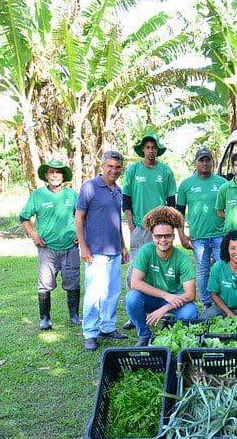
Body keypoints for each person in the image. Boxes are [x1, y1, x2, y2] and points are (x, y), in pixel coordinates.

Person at [121, 132, 182, 330]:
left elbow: (171, 200)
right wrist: (131, 225)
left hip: (160, 228)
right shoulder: (133, 170)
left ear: (158, 150)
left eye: (154, 147)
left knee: (162, 264)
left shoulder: (165, 171)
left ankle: (166, 304)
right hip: (139, 226)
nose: (151, 150)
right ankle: (134, 313)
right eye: (147, 147)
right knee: (136, 267)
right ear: (143, 150)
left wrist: (171, 225)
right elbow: (126, 200)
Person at [75, 151, 129, 351]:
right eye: (110, 166)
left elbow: (117, 221)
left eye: (117, 167)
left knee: (112, 291)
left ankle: (107, 327)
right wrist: (83, 246)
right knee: (94, 293)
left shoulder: (118, 191)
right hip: (95, 251)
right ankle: (90, 332)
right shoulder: (89, 187)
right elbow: (79, 218)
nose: (113, 170)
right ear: (102, 166)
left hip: (114, 249)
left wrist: (123, 246)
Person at [19, 158, 80, 330]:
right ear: (46, 175)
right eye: (51, 172)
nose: (55, 175)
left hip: (70, 247)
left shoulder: (72, 194)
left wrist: (81, 235)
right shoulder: (37, 195)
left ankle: (74, 316)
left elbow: (82, 216)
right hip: (47, 248)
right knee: (45, 283)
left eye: (58, 172)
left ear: (63, 175)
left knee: (73, 282)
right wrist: (34, 236)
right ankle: (45, 319)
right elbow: (24, 217)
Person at [124, 206, 198, 346]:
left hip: (173, 298)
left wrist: (165, 307)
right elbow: (135, 283)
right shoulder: (146, 251)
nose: (163, 240)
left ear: (173, 236)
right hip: (150, 297)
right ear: (152, 236)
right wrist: (165, 295)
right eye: (158, 236)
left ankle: (172, 335)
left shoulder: (182, 258)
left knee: (190, 311)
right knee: (131, 298)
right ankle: (145, 335)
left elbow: (190, 294)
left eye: (167, 235)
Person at [176, 148, 227, 311]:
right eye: (201, 160)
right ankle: (207, 303)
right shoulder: (186, 184)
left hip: (221, 235)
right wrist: (182, 235)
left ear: (213, 162)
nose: (205, 163)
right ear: (195, 163)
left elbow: (229, 208)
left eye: (208, 160)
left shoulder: (222, 183)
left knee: (222, 268)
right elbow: (179, 212)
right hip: (198, 237)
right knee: (203, 270)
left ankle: (224, 300)